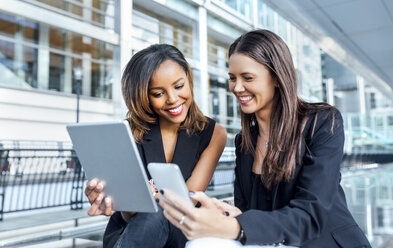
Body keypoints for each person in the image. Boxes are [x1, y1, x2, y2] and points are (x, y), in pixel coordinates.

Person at [158, 29, 372, 248]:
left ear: (277, 78)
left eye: (247, 78)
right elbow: (248, 213)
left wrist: (236, 226)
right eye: (232, 78)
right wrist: (227, 214)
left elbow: (310, 215)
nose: (237, 88)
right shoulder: (244, 142)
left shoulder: (323, 123)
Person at [84, 44, 227, 248]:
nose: (173, 99)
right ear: (143, 97)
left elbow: (188, 201)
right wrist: (110, 198)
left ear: (189, 79)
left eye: (179, 86)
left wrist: (153, 198)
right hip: (129, 232)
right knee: (155, 210)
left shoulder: (214, 134)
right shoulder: (127, 133)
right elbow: (127, 213)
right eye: (158, 93)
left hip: (180, 232)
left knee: (160, 208)